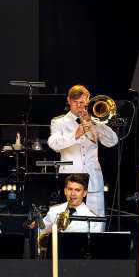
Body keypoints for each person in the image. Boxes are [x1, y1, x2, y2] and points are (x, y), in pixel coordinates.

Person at [47, 85, 119, 216]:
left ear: (88, 101)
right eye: (75, 102)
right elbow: (53, 144)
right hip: (71, 182)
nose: (79, 106)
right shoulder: (59, 122)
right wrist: (75, 135)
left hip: (93, 181)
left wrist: (96, 124)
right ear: (69, 100)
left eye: (82, 102)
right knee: (70, 222)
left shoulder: (95, 121)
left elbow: (113, 141)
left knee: (96, 221)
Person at [39, 174, 104, 235]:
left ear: (84, 193)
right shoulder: (54, 210)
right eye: (70, 189)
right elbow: (41, 231)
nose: (73, 194)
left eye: (77, 190)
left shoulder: (93, 219)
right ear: (65, 191)